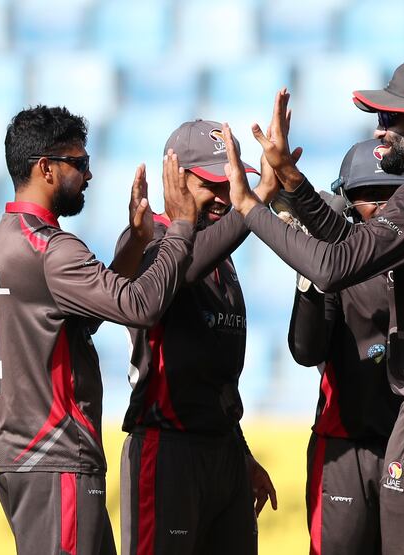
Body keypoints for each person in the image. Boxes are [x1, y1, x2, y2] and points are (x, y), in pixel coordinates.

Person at [226, 60, 404, 555]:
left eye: (390, 119)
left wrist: (253, 209)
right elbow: (359, 249)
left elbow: (336, 266)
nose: (379, 132)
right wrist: (293, 182)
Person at [0, 105, 197, 555]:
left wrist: (136, 243)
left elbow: (84, 317)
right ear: (46, 168)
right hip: (55, 456)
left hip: (20, 455)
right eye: (79, 163)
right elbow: (140, 306)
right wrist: (181, 229)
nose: (90, 175)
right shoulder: (52, 249)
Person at [114, 119, 291, 555]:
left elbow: (214, 377)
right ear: (175, 178)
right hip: (167, 450)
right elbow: (182, 269)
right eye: (210, 183)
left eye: (228, 183)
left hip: (223, 453)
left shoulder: (222, 256)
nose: (222, 197)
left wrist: (241, 452)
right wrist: (258, 202)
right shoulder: (147, 237)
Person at [285, 139, 404, 555]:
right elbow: (305, 349)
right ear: (347, 203)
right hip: (346, 447)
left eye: (394, 193)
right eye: (369, 195)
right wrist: (313, 273)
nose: (383, 205)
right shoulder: (339, 262)